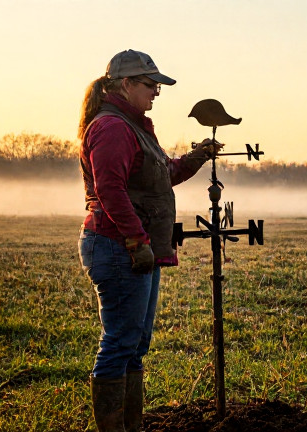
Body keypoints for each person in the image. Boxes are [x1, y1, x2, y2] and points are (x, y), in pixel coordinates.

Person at [77, 49, 220, 432]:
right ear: (126, 85)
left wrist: (195, 158)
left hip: (135, 247)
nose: (156, 91)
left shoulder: (134, 125)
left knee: (135, 344)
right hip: (118, 245)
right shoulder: (112, 127)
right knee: (121, 343)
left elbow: (159, 175)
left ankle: (132, 426)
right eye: (150, 84)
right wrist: (136, 240)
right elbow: (110, 190)